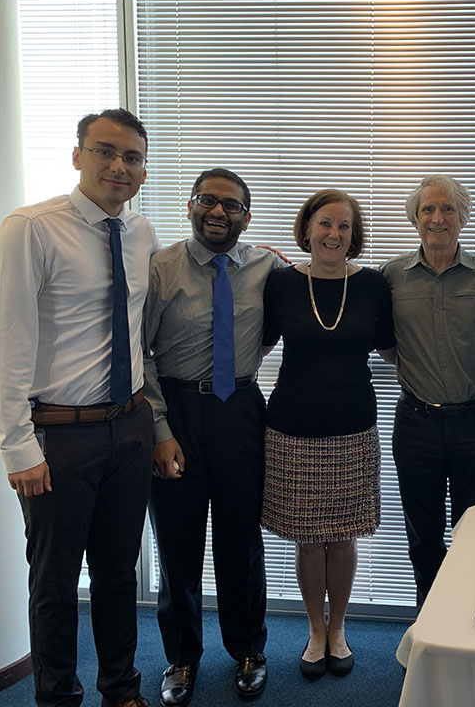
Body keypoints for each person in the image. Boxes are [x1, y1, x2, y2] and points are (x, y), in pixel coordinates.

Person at [0, 109, 158, 707]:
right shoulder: (30, 228)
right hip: (58, 437)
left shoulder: (142, 233)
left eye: (132, 157)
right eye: (105, 151)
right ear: (78, 155)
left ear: (142, 170)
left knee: (118, 573)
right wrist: (17, 447)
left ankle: (121, 689)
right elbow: (3, 344)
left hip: (129, 426)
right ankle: (57, 698)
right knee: (55, 583)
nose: (118, 165)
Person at [143, 169, 281, 704]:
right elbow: (139, 353)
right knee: (177, 542)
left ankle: (248, 649)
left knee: (240, 539)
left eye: (231, 205)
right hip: (177, 412)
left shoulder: (267, 267)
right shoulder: (160, 269)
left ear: (247, 216)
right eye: (207, 200)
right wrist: (159, 428)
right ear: (190, 205)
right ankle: (181, 657)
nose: (218, 212)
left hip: (240, 410)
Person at [261, 189, 395, 681]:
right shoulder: (280, 283)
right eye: (325, 223)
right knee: (308, 539)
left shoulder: (374, 285)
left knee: (342, 537)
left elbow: (395, 351)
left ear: (354, 235)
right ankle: (315, 630)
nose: (333, 234)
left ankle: (338, 629)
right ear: (307, 228)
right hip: (292, 429)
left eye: (344, 226)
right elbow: (254, 344)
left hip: (353, 427)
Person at [380, 175, 475, 608]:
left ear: (463, 217)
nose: (437, 218)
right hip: (415, 423)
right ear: (414, 219)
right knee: (423, 534)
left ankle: (469, 619)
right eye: (428, 210)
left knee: (474, 532)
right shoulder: (392, 276)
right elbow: (382, 341)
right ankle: (429, 619)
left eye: (448, 209)